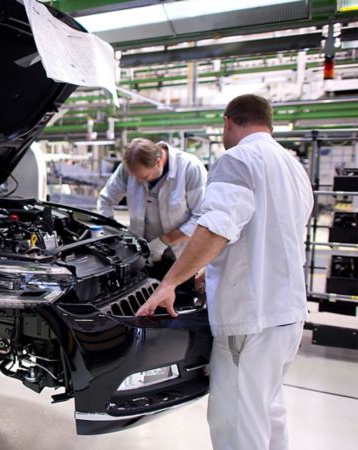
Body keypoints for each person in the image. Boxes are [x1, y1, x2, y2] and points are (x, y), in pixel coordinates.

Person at [136, 94, 313, 450]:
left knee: (235, 422)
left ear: (228, 121)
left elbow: (215, 227)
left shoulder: (237, 160)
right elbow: (267, 233)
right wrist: (214, 269)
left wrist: (171, 282)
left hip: (251, 317)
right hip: (287, 314)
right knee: (268, 411)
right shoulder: (291, 165)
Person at [97, 138, 207, 263]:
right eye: (135, 177)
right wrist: (112, 232)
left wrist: (164, 241)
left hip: (181, 257)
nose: (138, 181)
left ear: (158, 162)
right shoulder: (128, 169)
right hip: (143, 256)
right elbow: (105, 200)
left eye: (144, 177)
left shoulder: (190, 168)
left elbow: (202, 217)